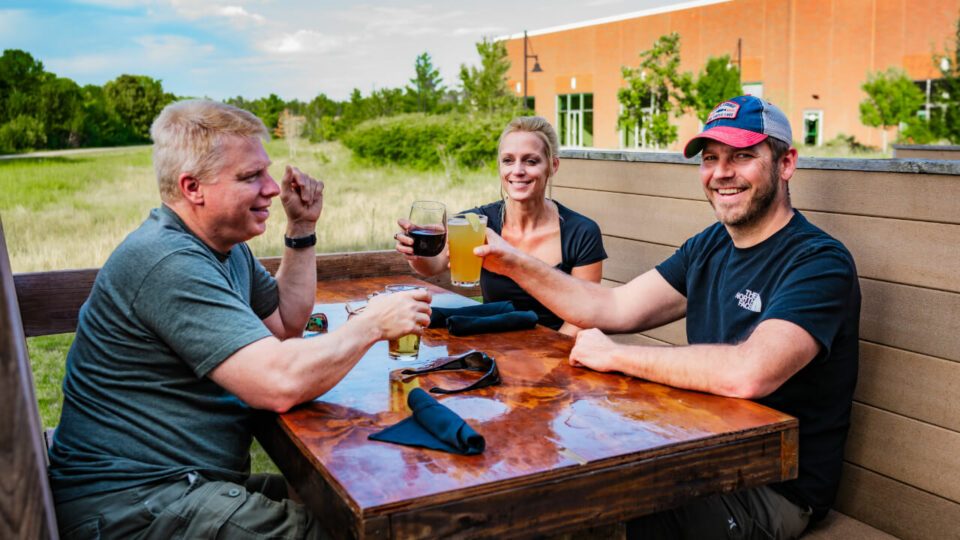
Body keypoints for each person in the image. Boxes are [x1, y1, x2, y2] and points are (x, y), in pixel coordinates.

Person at [475, 96, 861, 539]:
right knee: (528, 479)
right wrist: (511, 261)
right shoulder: (710, 245)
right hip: (698, 455)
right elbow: (612, 307)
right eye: (711, 159)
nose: (721, 173)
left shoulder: (817, 261)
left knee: (585, 517)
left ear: (786, 163)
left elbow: (749, 373)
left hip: (768, 488)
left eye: (743, 157)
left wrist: (617, 356)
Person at [47, 100, 431, 539]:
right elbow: (278, 384)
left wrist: (302, 228)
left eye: (266, 172)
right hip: (131, 506)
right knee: (362, 529)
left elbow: (285, 322)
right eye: (251, 177)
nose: (272, 188)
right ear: (193, 187)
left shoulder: (223, 248)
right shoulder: (168, 261)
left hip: (182, 484)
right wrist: (372, 324)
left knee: (360, 500)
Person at [395, 115, 606, 335]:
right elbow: (433, 265)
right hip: (493, 348)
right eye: (508, 160)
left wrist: (548, 361)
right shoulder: (475, 224)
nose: (517, 170)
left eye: (530, 161)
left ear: (553, 165)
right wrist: (416, 252)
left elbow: (584, 317)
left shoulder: (582, 232)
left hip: (557, 355)